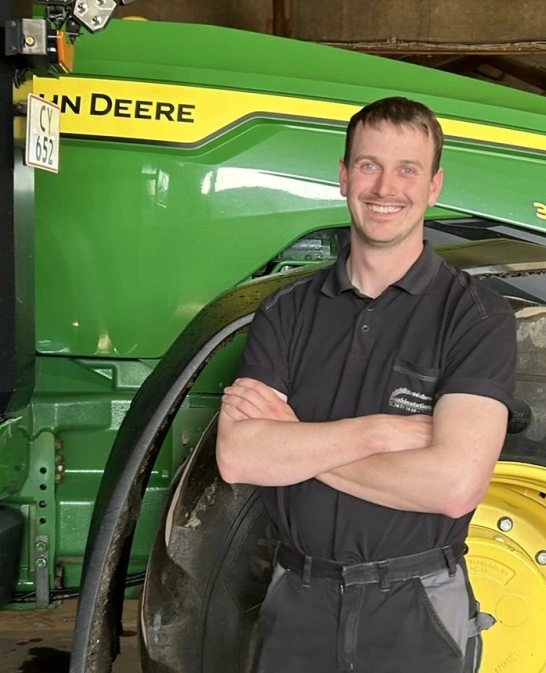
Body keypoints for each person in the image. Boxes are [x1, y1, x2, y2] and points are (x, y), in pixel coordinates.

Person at [215, 96, 517, 673]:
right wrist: (382, 431)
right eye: (369, 165)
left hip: (418, 605)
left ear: (433, 186)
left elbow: (453, 486)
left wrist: (298, 443)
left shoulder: (474, 316)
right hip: (298, 597)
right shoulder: (286, 311)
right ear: (344, 176)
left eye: (408, 169)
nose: (386, 187)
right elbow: (239, 457)